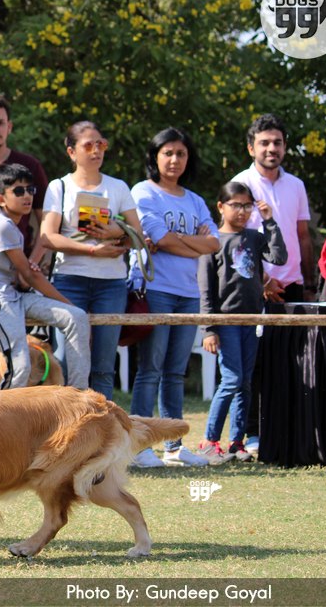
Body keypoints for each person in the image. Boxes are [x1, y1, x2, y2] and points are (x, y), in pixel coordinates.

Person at [129, 128, 219, 468]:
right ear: (155, 157)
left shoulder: (194, 200)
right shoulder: (143, 192)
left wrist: (174, 241)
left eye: (181, 154)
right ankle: (139, 446)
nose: (174, 160)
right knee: (150, 369)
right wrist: (187, 242)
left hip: (188, 293)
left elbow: (214, 244)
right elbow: (159, 239)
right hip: (156, 290)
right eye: (167, 153)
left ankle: (175, 447)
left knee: (175, 372)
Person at [40, 121, 142, 399]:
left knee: (103, 365)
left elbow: (139, 236)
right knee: (65, 360)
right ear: (72, 152)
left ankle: (103, 434)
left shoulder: (118, 187)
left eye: (101, 144)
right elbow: (48, 237)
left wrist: (117, 231)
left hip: (111, 283)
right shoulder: (59, 187)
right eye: (88, 145)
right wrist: (92, 251)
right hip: (69, 280)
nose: (96, 150)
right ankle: (66, 432)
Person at [231, 113, 314, 456]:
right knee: (256, 364)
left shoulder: (296, 184)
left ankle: (290, 433)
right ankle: (252, 436)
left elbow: (303, 236)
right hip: (255, 288)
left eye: (277, 142)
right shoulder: (240, 185)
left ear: (285, 147)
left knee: (295, 363)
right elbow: (235, 242)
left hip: (293, 287)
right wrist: (263, 281)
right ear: (251, 147)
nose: (271, 148)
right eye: (264, 142)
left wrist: (310, 284)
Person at [0, 163, 91, 390]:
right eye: (18, 191)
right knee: (20, 365)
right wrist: (65, 301)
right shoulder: (1, 226)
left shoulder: (13, 226)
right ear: (1, 199)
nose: (27, 196)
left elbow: (24, 277)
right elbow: (30, 277)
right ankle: (4, 422)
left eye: (30, 190)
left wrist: (70, 307)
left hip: (12, 296)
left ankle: (79, 395)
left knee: (76, 317)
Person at [197, 182, 286, 465]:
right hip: (225, 320)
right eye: (236, 205)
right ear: (221, 207)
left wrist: (270, 221)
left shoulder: (254, 237)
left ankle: (237, 442)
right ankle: (210, 441)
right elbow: (206, 290)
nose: (242, 211)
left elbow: (278, 257)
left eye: (247, 205)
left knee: (245, 383)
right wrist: (209, 329)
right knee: (232, 379)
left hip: (251, 319)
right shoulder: (212, 242)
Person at [0, 94, 50, 265]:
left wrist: (31, 264)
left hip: (18, 264)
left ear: (10, 126)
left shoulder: (29, 165)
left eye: (0, 123)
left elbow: (46, 221)